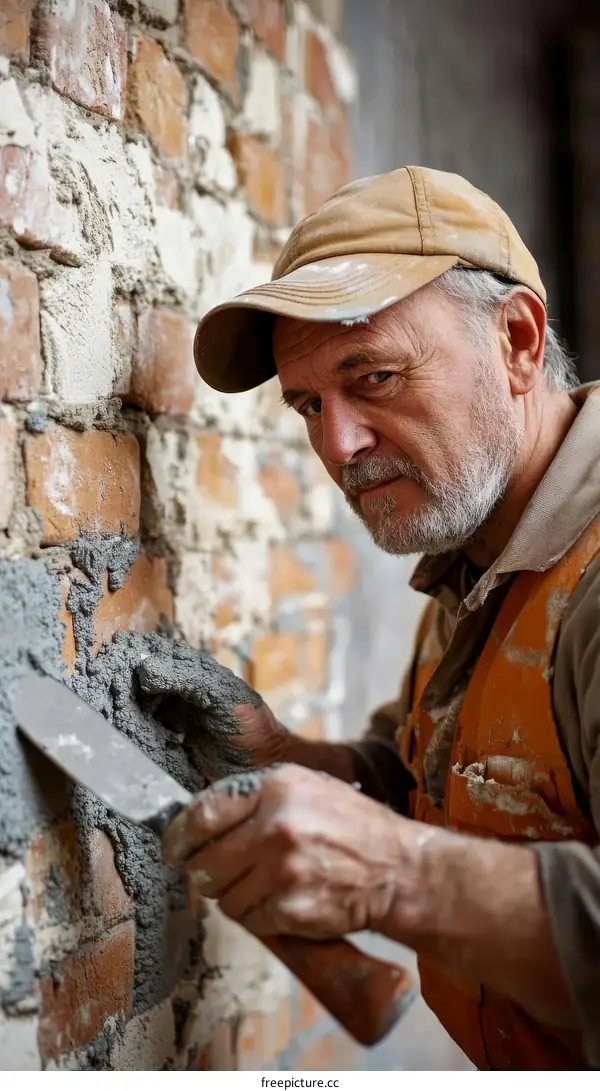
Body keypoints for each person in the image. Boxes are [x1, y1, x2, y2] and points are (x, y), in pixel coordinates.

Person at [141, 167, 600, 1070]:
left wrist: (398, 874)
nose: (337, 445)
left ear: (515, 341)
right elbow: (453, 777)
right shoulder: (484, 546)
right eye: (310, 403)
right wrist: (294, 762)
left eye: (376, 376)